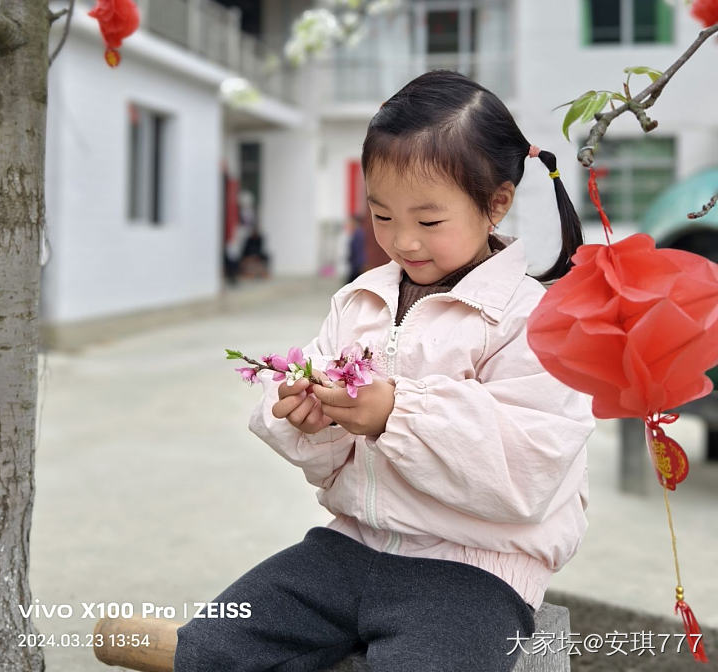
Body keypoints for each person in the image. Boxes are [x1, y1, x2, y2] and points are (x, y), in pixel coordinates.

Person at [174, 70, 595, 672]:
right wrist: (311, 420)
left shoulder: (533, 318)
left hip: (474, 573)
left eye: (428, 222)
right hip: (349, 548)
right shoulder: (361, 301)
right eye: (381, 216)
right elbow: (331, 462)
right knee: (208, 648)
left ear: (496, 202)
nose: (404, 242)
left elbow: (528, 473)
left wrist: (395, 412)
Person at [345, 213, 366, 283]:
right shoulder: (356, 233)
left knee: (350, 284)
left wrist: (360, 264)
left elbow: (358, 250)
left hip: (357, 265)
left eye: (350, 222)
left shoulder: (358, 234)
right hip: (356, 264)